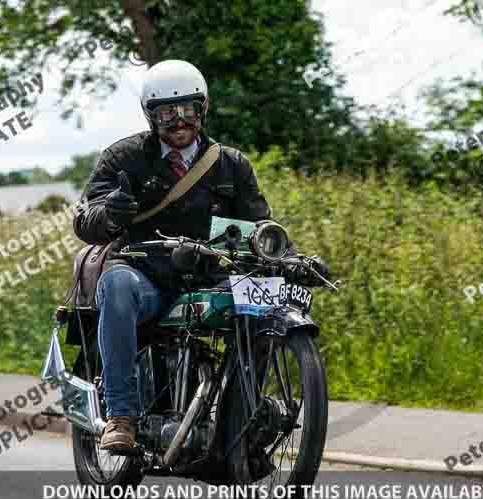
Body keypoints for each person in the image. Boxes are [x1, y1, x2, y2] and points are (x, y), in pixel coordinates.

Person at [73, 60, 327, 451]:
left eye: (188, 110)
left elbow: (261, 225)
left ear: (202, 108)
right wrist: (111, 213)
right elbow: (85, 221)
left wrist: (292, 259)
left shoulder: (231, 164)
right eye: (166, 113)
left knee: (264, 304)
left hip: (213, 277)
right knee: (117, 284)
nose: (179, 121)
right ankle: (120, 417)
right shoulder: (122, 158)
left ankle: (242, 421)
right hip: (147, 274)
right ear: (150, 115)